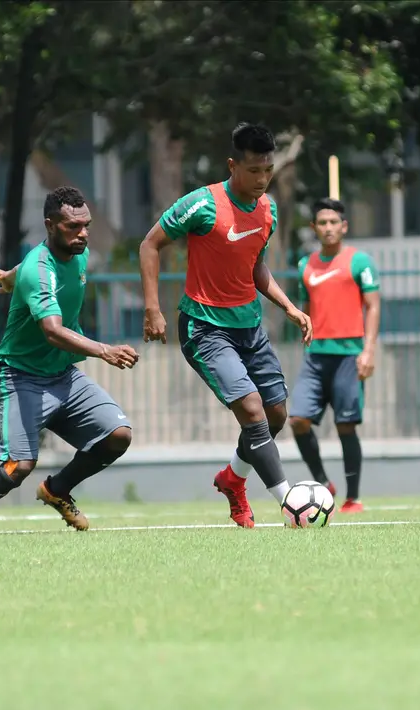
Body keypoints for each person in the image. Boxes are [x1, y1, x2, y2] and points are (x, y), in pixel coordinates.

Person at [138, 122, 313, 528]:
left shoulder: (268, 208)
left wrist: (287, 306)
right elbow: (150, 244)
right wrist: (152, 308)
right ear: (233, 165)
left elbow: (255, 267)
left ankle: (233, 479)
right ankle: (291, 504)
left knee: (274, 416)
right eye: (254, 171)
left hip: (249, 327)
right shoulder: (201, 205)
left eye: (268, 170)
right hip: (204, 328)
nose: (262, 179)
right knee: (251, 411)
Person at [0, 187, 138, 535]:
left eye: (86, 225)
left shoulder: (76, 251)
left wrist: (7, 276)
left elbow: (29, 267)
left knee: (118, 435)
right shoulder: (38, 269)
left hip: (62, 374)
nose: (83, 234)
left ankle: (57, 490)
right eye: (72, 227)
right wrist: (104, 350)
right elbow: (52, 330)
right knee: (18, 466)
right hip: (21, 376)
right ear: (50, 225)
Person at [288, 198, 381, 514]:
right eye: (322, 223)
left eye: (333, 222)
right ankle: (323, 484)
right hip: (316, 359)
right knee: (298, 420)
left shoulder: (360, 262)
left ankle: (352, 498)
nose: (328, 228)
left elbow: (374, 306)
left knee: (346, 426)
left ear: (344, 226)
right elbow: (305, 309)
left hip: (348, 357)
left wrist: (368, 350)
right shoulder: (305, 265)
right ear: (313, 228)